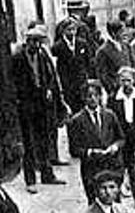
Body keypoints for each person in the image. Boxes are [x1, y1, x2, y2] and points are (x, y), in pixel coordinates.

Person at [11, 24, 67, 194]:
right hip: (25, 105)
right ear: (28, 41)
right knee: (28, 143)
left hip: (42, 103)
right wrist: (18, 100)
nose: (37, 45)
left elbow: (49, 76)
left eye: (40, 42)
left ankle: (47, 174)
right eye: (34, 42)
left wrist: (49, 89)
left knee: (44, 139)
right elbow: (12, 82)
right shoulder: (17, 58)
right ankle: (30, 180)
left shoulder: (42, 55)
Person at [67, 79, 125, 203]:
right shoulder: (77, 120)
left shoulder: (110, 115)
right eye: (89, 96)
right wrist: (90, 152)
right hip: (91, 169)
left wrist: (114, 147)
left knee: (114, 203)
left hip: (111, 165)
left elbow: (121, 138)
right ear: (84, 98)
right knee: (95, 204)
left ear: (100, 97)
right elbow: (74, 149)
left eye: (96, 95)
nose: (93, 99)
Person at [107, 66, 135, 210]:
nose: (126, 84)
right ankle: (118, 201)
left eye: (129, 80)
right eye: (123, 80)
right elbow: (111, 120)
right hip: (122, 136)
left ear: (134, 80)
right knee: (123, 168)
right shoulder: (114, 98)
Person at [52, 19, 94, 114]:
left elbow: (88, 62)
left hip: (82, 84)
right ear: (63, 31)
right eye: (69, 29)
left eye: (73, 29)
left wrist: (86, 77)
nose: (72, 32)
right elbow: (57, 68)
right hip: (68, 86)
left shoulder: (82, 43)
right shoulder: (57, 47)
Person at [95, 19, 135, 96]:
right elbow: (103, 76)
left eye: (125, 30)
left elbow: (134, 65)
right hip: (116, 92)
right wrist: (114, 88)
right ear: (113, 33)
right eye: (121, 31)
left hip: (132, 89)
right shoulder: (103, 51)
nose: (125, 34)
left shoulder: (127, 47)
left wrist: (134, 82)